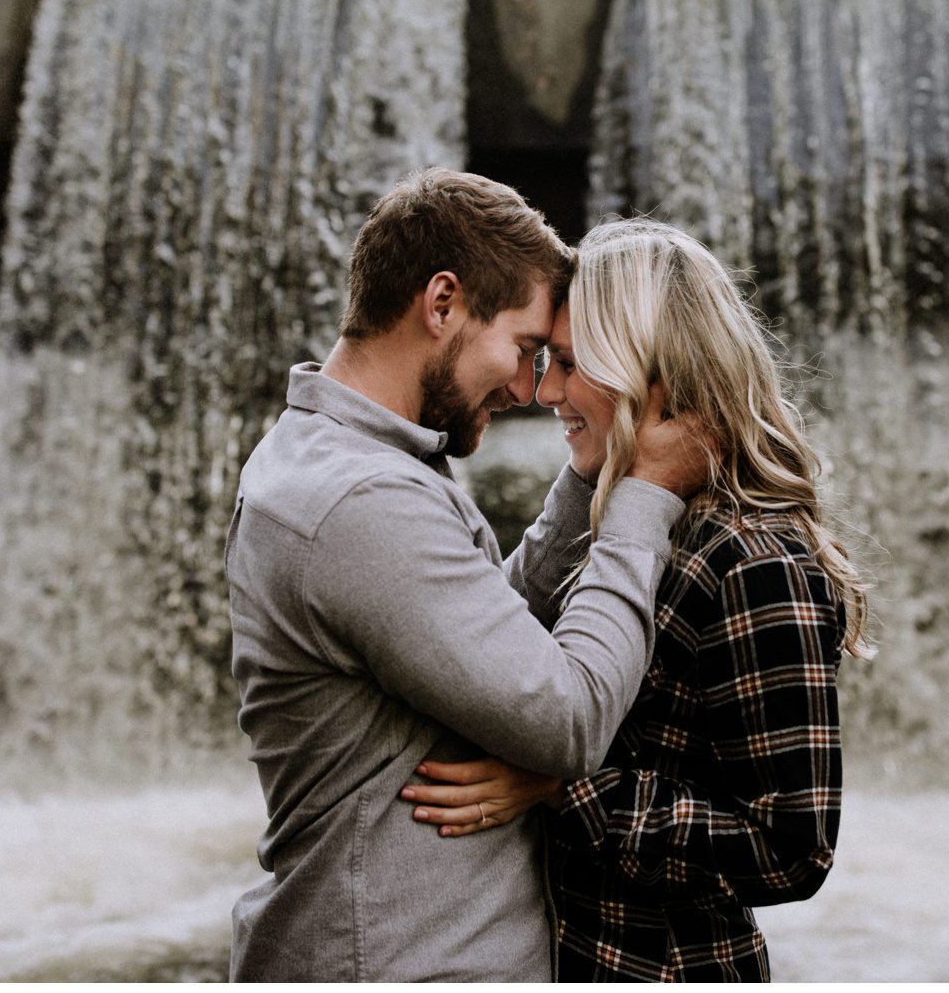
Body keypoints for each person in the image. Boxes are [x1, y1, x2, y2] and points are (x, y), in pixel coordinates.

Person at [223, 170, 713, 981]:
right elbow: (570, 717)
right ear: (442, 303)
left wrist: (589, 473)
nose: (530, 389)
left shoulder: (339, 456)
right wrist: (645, 495)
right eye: (524, 350)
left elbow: (478, 637)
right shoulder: (361, 502)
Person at [398, 217, 873, 980]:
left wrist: (568, 787)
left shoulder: (752, 560)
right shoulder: (631, 520)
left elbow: (792, 848)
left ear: (653, 374)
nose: (542, 390)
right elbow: (505, 635)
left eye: (571, 365)